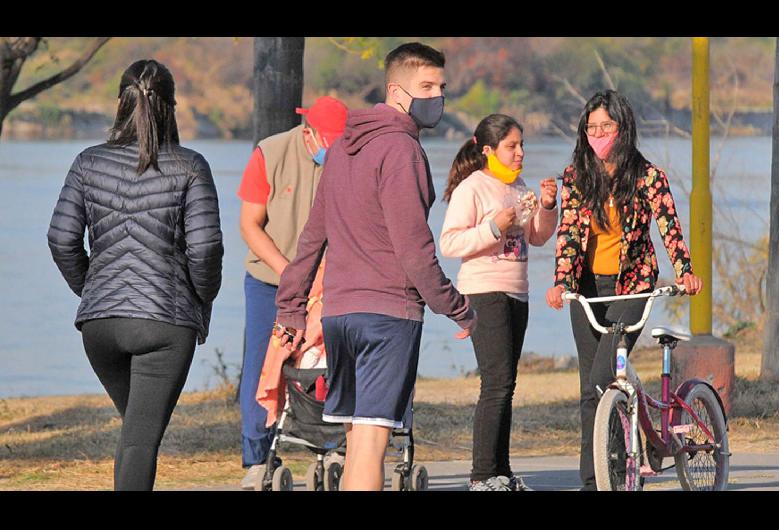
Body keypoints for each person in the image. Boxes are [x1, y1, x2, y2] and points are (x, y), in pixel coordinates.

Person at [273, 42, 477, 491]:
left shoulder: (344, 146)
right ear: (396, 90)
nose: (437, 97)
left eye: (441, 87)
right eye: (426, 86)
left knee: (356, 439)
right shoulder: (402, 150)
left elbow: (312, 237)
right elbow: (414, 249)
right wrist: (459, 308)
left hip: (340, 315)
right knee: (370, 445)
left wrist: (290, 308)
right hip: (388, 315)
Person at [46, 59, 223, 491]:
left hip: (100, 329)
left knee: (135, 436)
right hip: (165, 324)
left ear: (120, 103)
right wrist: (201, 302)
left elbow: (60, 239)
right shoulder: (190, 166)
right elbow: (205, 249)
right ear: (171, 107)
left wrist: (92, 291)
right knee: (140, 442)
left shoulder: (87, 162)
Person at [544, 90, 703, 491]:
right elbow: (567, 236)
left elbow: (670, 228)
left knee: (603, 379)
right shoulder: (576, 175)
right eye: (591, 126)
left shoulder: (648, 176)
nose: (597, 133)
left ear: (623, 128)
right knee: (589, 387)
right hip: (587, 289)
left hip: (632, 286)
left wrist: (684, 272)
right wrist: (562, 283)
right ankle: (592, 479)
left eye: (606, 126)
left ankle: (614, 470)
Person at [440, 114, 558, 491]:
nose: (521, 152)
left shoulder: (518, 186)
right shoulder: (472, 188)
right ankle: (481, 476)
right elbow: (450, 243)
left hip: (516, 290)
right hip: (483, 290)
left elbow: (535, 238)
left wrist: (548, 207)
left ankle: (501, 474)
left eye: (522, 144)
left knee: (507, 384)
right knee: (496, 383)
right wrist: (493, 226)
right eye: (512, 146)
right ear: (488, 150)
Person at [236, 95, 348, 489]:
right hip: (270, 281)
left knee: (327, 364)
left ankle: (333, 445)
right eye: (327, 141)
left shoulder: (350, 155)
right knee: (261, 365)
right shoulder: (270, 152)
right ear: (308, 133)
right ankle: (256, 457)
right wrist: (290, 274)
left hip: (330, 284)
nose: (332, 149)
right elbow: (250, 224)